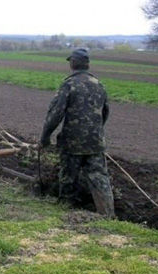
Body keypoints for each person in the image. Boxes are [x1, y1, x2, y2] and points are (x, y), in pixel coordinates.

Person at [40, 48, 115, 218]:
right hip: (95, 142)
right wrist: (96, 131)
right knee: (99, 177)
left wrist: (45, 137)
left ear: (73, 63)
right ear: (87, 64)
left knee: (68, 177)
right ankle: (108, 213)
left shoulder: (69, 84)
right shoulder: (98, 84)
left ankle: (67, 211)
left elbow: (55, 114)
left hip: (72, 143)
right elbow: (106, 112)